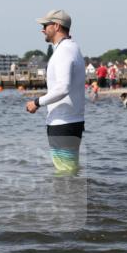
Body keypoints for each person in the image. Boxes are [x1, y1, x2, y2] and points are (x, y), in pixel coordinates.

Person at [25, 10, 85, 174]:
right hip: (71, 121)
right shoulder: (73, 48)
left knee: (65, 173)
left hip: (63, 123)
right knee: (69, 171)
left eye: (45, 25)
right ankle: (72, 199)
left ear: (57, 26)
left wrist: (37, 102)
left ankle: (68, 200)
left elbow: (62, 88)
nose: (42, 29)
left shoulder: (64, 51)